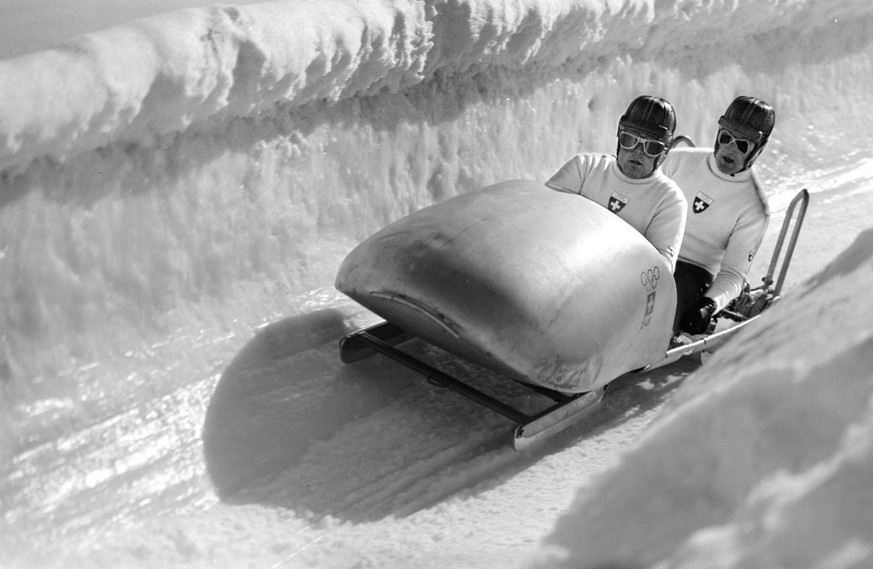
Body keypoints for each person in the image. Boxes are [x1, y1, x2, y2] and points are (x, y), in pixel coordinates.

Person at [661, 96, 774, 335]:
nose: (730, 149)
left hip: (693, 272)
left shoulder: (754, 207)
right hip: (650, 250)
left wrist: (708, 304)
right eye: (726, 138)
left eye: (742, 145)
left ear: (757, 150)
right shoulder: (678, 161)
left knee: (658, 314)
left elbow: (733, 273)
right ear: (718, 134)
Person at [545, 95, 687, 272]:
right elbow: (543, 215)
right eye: (629, 139)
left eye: (651, 147)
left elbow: (662, 269)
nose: (637, 151)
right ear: (619, 137)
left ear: (664, 153)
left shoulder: (670, 200)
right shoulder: (584, 168)